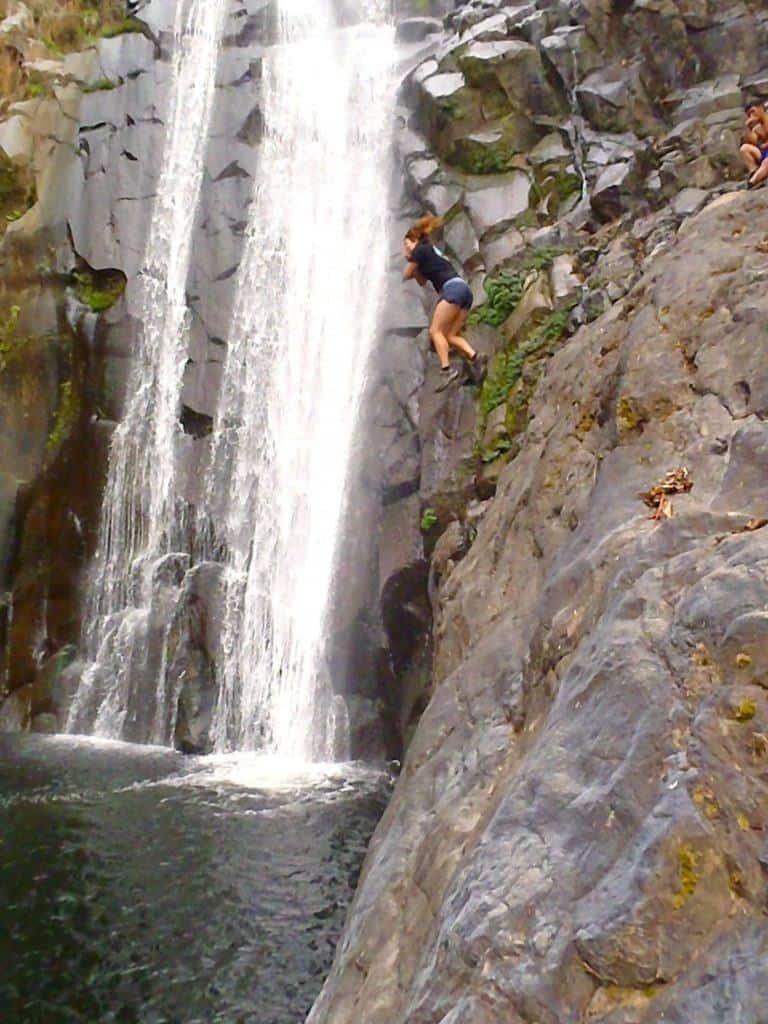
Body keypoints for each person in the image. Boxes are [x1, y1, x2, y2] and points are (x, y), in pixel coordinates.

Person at [402, 214, 486, 392]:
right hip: (463, 290)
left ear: (414, 240)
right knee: (449, 336)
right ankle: (476, 358)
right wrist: (414, 265)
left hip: (451, 289)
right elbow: (421, 281)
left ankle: (447, 371)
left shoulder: (420, 249)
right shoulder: (429, 251)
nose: (405, 248)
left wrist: (408, 257)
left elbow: (406, 275)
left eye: (406, 243)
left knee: (435, 331)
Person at [740, 104, 768, 188]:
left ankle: (752, 182)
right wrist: (748, 127)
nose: (752, 115)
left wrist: (765, 144)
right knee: (744, 148)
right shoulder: (757, 128)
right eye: (749, 114)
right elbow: (752, 141)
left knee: (766, 162)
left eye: (753, 111)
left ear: (760, 109)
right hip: (764, 153)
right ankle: (754, 171)